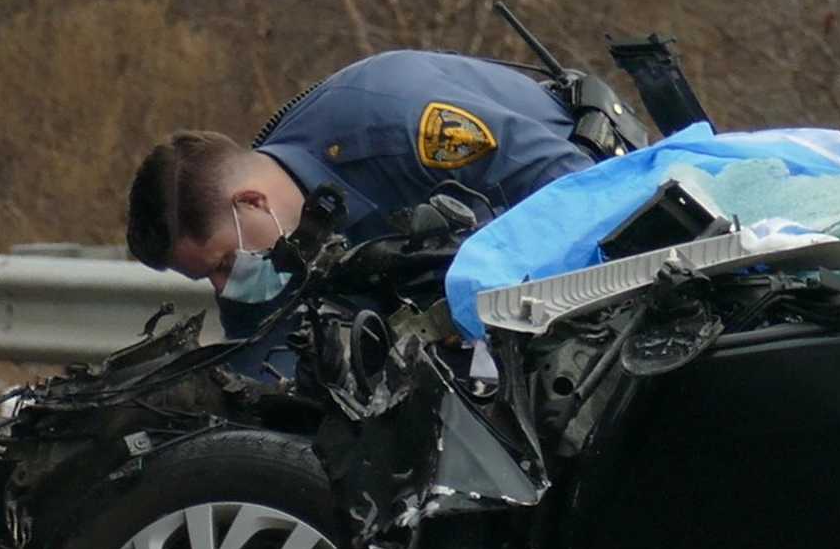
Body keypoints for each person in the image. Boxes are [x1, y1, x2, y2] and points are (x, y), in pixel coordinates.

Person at [127, 49, 612, 335]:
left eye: (223, 266)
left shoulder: (398, 130)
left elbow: (582, 192)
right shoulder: (280, 242)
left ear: (251, 202)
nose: (224, 286)